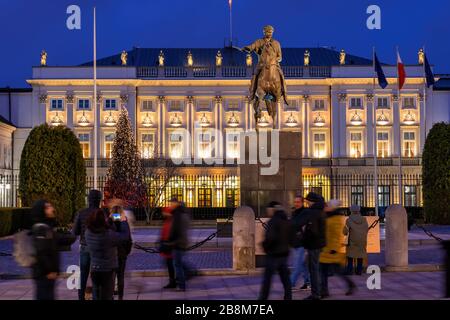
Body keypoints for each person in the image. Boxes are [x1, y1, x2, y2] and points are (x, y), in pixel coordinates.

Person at [85, 208, 130, 300]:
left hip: (94, 268)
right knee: (107, 295)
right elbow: (125, 236)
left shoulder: (88, 232)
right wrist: (123, 221)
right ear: (103, 220)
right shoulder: (108, 234)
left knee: (96, 294)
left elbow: (102, 227)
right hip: (107, 270)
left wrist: (109, 220)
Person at [319, 200, 356, 298]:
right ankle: (324, 291)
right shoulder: (329, 216)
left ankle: (350, 285)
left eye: (327, 206)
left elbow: (337, 235)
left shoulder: (336, 218)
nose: (325, 207)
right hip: (326, 250)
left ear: (332, 207)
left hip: (331, 251)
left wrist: (334, 248)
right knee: (325, 271)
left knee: (335, 271)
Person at [294, 192, 327, 300]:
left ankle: (315, 294)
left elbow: (312, 230)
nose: (306, 202)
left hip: (314, 244)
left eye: (307, 200)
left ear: (311, 201)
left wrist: (304, 235)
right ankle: (319, 291)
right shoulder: (320, 211)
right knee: (314, 268)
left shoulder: (312, 212)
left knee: (314, 269)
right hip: (318, 244)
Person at [72, 189, 102, 300]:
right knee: (95, 275)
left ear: (88, 199)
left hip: (84, 246)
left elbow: (74, 232)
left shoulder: (81, 213)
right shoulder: (103, 213)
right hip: (98, 248)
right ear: (99, 200)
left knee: (83, 275)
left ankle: (81, 297)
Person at [259, 201, 292, 300]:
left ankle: (263, 298)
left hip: (273, 254)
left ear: (272, 209)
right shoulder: (286, 220)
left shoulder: (273, 221)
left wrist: (265, 246)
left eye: (268, 209)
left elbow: (270, 238)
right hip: (284, 253)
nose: (267, 211)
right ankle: (288, 297)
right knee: (285, 278)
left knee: (267, 279)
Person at [30, 200, 60, 300]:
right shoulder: (41, 228)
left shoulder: (46, 226)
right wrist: (49, 270)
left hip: (46, 274)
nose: (52, 209)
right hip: (44, 274)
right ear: (42, 210)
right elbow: (42, 252)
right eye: (48, 207)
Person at [107, 202, 132, 300]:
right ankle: (120, 297)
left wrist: (110, 218)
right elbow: (128, 239)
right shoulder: (123, 222)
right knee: (120, 276)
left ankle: (111, 295)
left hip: (112, 253)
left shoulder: (110, 222)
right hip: (121, 253)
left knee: (111, 276)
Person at [166, 197, 190, 291]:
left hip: (177, 242)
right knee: (177, 263)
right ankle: (180, 282)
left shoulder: (177, 214)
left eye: (172, 203)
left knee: (177, 265)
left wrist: (170, 240)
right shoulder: (183, 214)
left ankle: (181, 285)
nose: (170, 205)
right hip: (181, 241)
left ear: (176, 203)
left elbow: (175, 229)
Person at [289, 195, 311, 291]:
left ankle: (290, 284)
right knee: (302, 265)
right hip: (295, 242)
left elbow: (298, 224)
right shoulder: (294, 213)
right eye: (295, 202)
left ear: (302, 203)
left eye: (298, 202)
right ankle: (308, 282)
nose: (296, 204)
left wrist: (294, 225)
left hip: (302, 243)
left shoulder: (305, 212)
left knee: (297, 265)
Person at [344, 204, 369, 275]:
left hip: (352, 241)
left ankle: (349, 271)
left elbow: (345, 232)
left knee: (350, 257)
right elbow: (366, 229)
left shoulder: (348, 220)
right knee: (360, 256)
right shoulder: (364, 220)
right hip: (362, 241)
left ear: (351, 210)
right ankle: (359, 271)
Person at [159, 206, 176, 289]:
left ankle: (173, 281)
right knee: (170, 265)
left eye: (164, 212)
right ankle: (172, 281)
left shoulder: (170, 222)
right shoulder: (167, 221)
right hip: (167, 246)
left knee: (171, 265)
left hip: (169, 247)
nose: (163, 214)